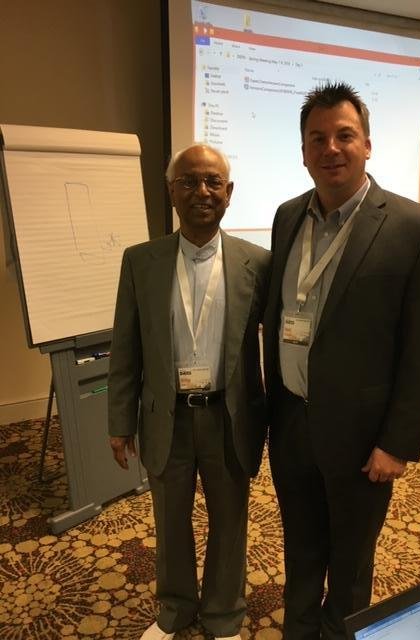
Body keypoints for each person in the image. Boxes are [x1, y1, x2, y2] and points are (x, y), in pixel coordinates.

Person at [262, 81, 420, 640]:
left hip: (363, 437)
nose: (331, 148)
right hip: (292, 421)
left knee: (349, 563)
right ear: (303, 151)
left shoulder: (418, 229)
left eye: (344, 135)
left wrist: (398, 442)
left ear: (367, 144)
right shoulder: (287, 216)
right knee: (300, 547)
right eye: (317, 138)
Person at [108, 143, 270, 640]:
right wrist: (119, 422)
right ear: (171, 191)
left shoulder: (258, 263)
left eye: (213, 181)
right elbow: (126, 347)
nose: (202, 191)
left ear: (229, 192)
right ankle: (175, 608)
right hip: (167, 416)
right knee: (170, 519)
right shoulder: (140, 262)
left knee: (231, 520)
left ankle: (223, 614)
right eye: (189, 181)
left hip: (229, 415)